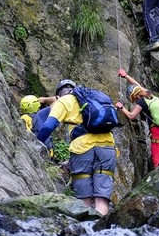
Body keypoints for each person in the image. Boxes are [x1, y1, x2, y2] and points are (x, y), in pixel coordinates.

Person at [34, 79, 117, 215]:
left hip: (83, 148)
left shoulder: (63, 102)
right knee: (101, 197)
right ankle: (101, 229)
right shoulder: (92, 97)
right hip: (107, 146)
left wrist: (36, 142)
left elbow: (48, 126)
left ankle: (87, 229)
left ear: (58, 95)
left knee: (84, 198)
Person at [116, 69, 159, 169]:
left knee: (157, 163)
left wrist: (121, 108)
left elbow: (132, 116)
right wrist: (126, 76)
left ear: (134, 96)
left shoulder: (141, 102)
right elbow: (138, 85)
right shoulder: (149, 94)